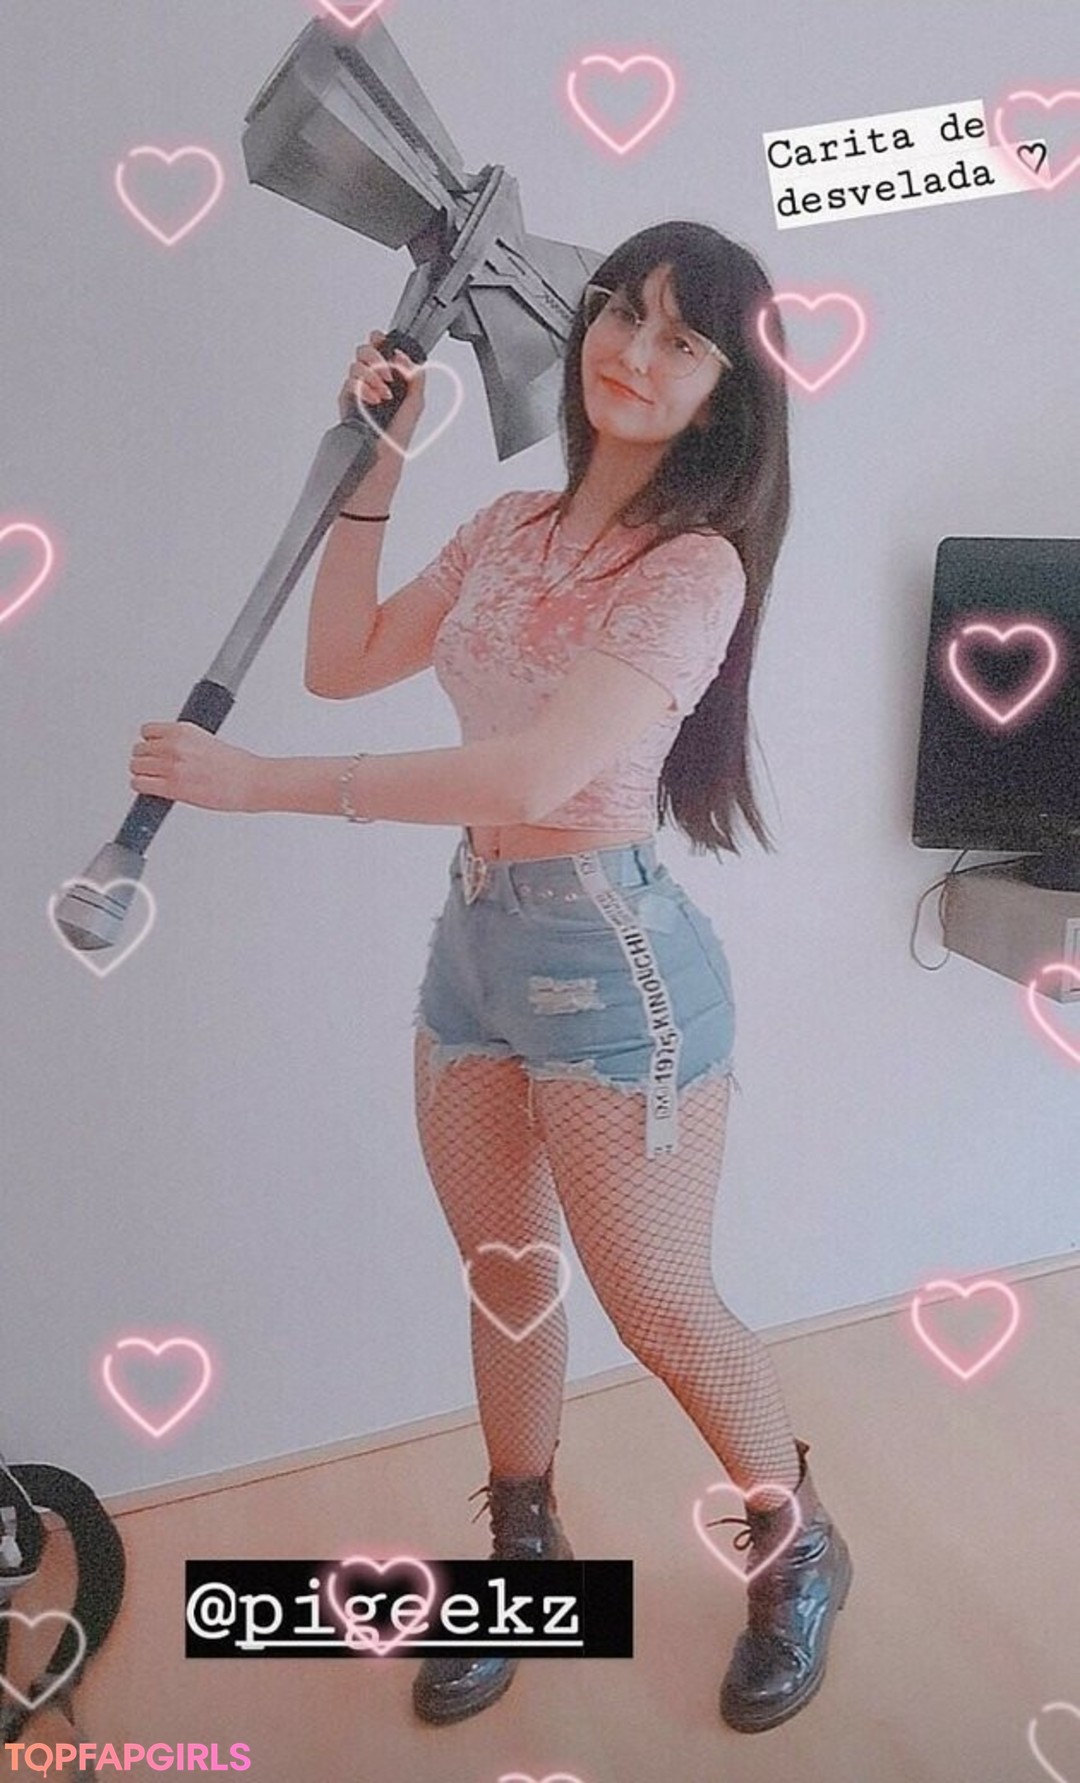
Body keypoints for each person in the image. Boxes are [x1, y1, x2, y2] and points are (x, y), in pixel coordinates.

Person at [128, 219, 852, 1736]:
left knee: (658, 1305)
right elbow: (340, 659)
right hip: (475, 952)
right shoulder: (511, 527)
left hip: (616, 970)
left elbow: (534, 771)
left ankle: (798, 1546)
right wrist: (378, 462)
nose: (632, 354)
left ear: (725, 391)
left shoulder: (695, 570)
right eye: (620, 314)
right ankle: (528, 1559)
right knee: (508, 1277)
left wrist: (257, 788)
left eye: (680, 340)